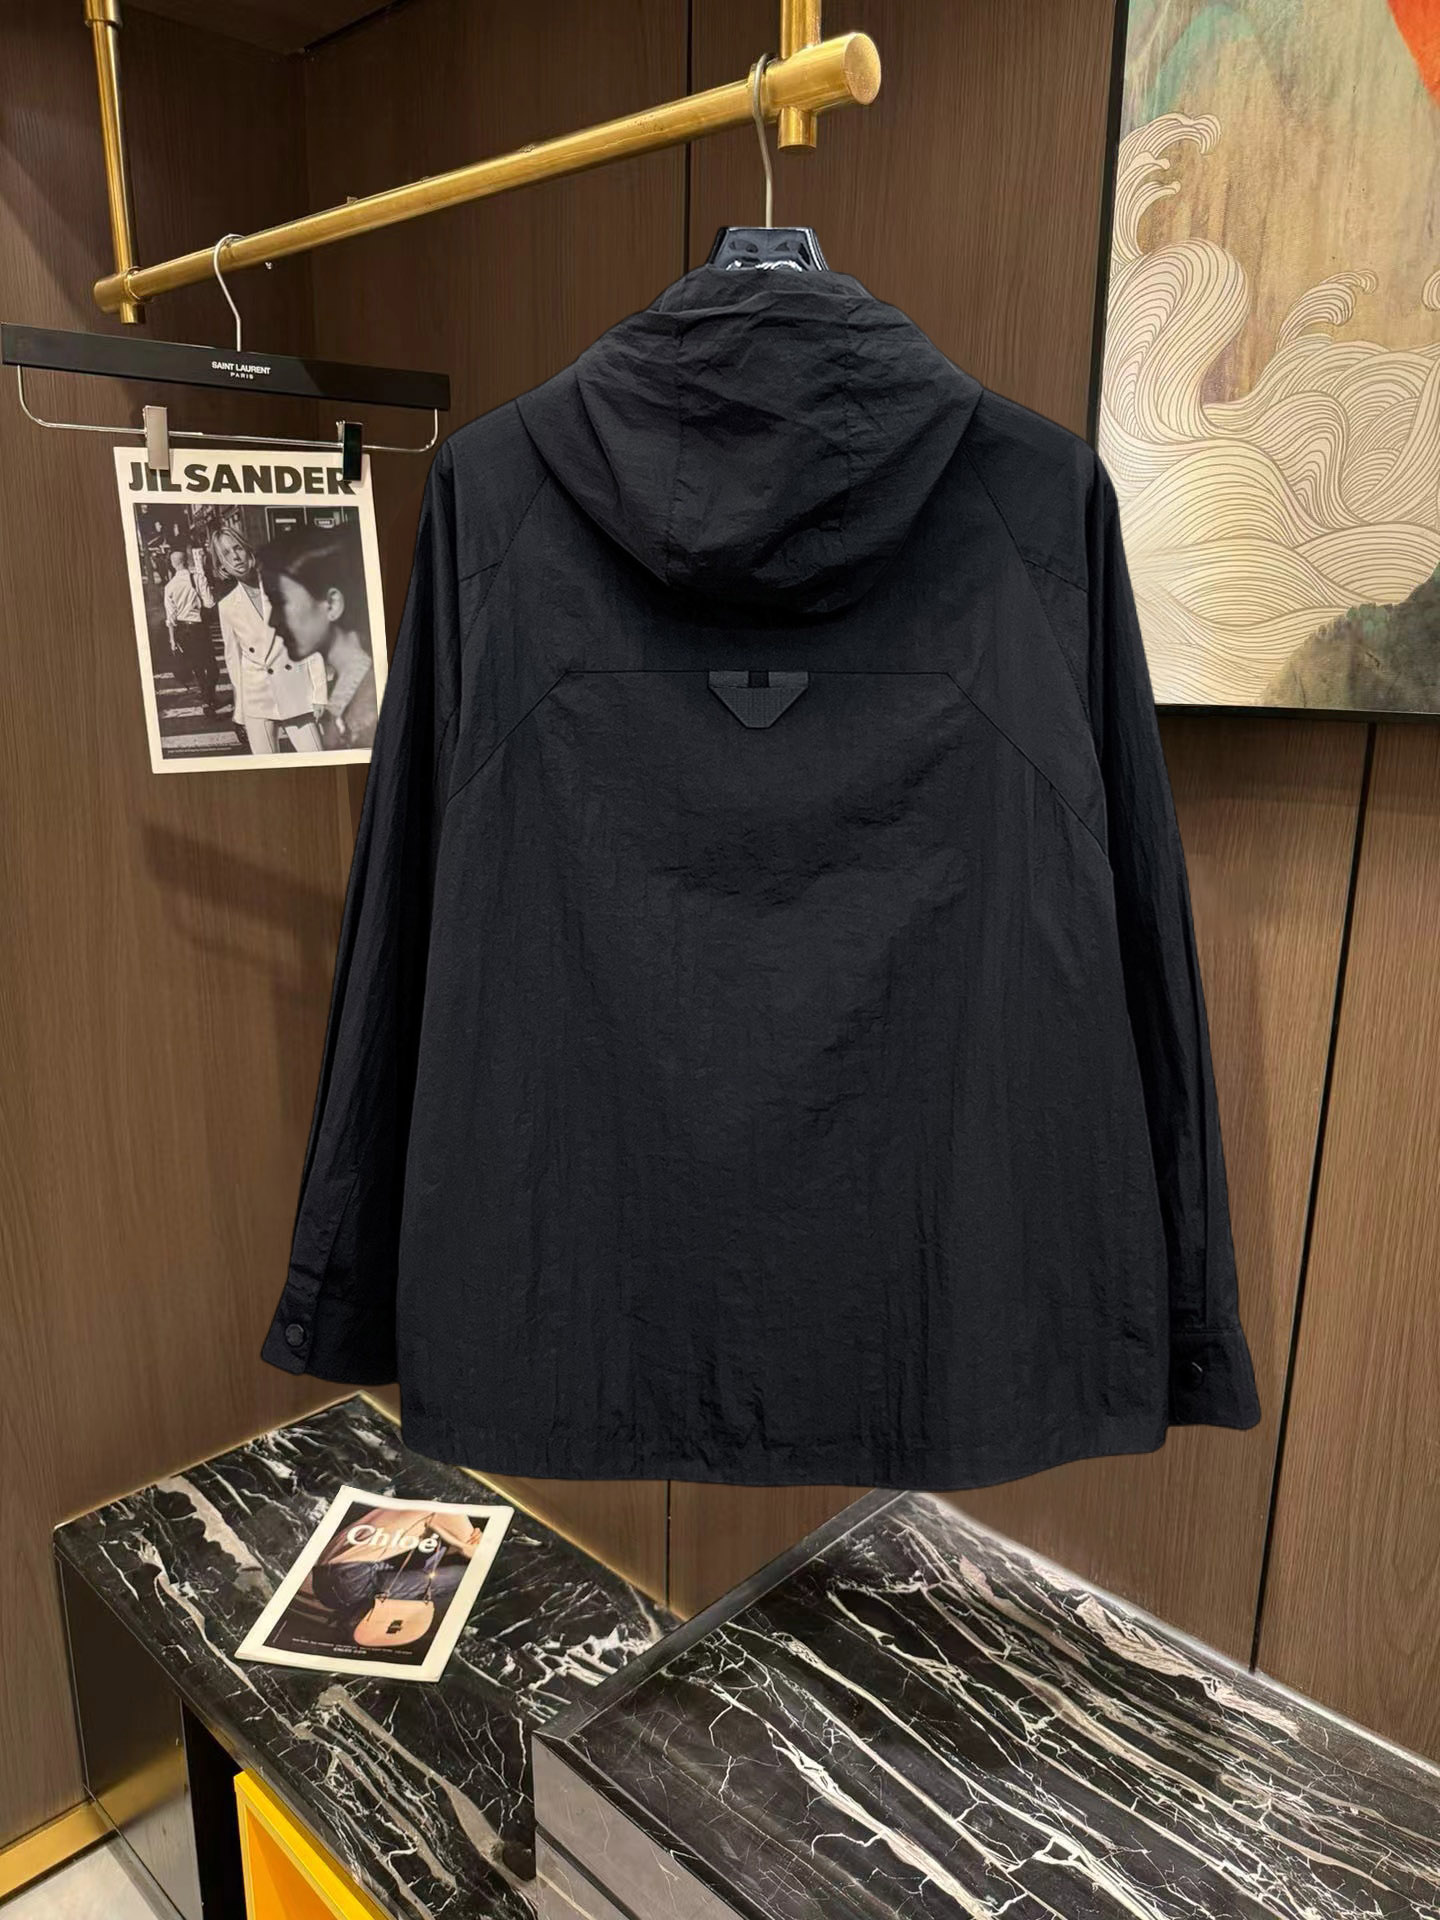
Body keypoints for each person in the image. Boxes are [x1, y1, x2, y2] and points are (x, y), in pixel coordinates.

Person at [213, 527, 326, 755]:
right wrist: (240, 710)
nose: (235, 557)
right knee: (268, 767)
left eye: (237, 548)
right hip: (256, 698)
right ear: (222, 565)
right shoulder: (226, 606)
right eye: (226, 554)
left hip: (296, 691)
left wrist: (319, 694)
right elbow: (234, 661)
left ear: (248, 550)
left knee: (317, 759)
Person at [265, 526, 378, 749]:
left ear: (332, 604)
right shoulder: (353, 681)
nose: (272, 621)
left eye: (281, 602)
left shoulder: (368, 711)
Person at [162, 550, 220, 718]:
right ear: (186, 561)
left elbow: (170, 618)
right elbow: (210, 603)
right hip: (199, 629)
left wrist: (172, 640)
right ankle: (208, 699)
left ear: (172, 565)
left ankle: (208, 699)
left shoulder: (169, 587)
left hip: (182, 631)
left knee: (198, 667)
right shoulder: (198, 578)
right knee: (212, 667)